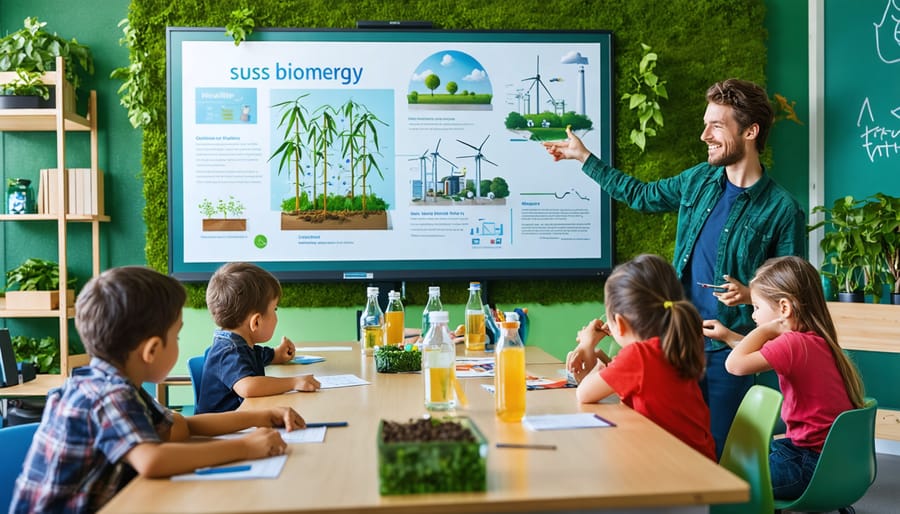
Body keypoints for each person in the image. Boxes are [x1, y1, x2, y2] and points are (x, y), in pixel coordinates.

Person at [545, 78, 807, 457]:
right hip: (675, 343)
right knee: (660, 448)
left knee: (717, 457)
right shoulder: (698, 180)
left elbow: (793, 297)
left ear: (750, 131)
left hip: (729, 354)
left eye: (716, 125)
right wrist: (585, 158)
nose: (705, 135)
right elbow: (641, 195)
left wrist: (751, 294)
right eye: (706, 123)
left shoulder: (782, 209)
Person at [10, 266, 305, 513]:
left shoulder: (114, 385)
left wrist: (262, 417)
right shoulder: (106, 394)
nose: (179, 343)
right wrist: (245, 447)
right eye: (176, 336)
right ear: (151, 350)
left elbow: (181, 427)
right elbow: (152, 460)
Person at [706, 256, 865, 499]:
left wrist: (767, 328)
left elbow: (734, 365)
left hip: (807, 466)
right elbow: (760, 354)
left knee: (725, 482)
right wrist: (728, 336)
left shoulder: (792, 343)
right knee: (760, 454)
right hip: (834, 461)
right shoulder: (815, 340)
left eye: (757, 308)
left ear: (784, 308)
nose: (754, 317)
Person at [569, 254, 716, 461]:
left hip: (679, 469)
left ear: (619, 323)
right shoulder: (673, 344)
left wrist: (587, 344)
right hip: (698, 461)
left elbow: (584, 393)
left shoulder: (639, 355)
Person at [197, 262, 320, 414]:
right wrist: (294, 382)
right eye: (274, 309)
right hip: (221, 434)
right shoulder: (229, 351)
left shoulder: (240, 344)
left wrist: (277, 354)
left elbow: (259, 356)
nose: (276, 315)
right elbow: (248, 387)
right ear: (256, 322)